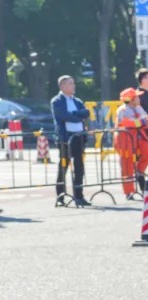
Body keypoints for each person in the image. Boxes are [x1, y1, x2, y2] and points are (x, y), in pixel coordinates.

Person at [50, 75, 91, 207]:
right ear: (62, 86)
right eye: (70, 83)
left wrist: (76, 114)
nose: (73, 86)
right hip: (65, 138)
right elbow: (63, 116)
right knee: (63, 167)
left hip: (79, 137)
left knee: (79, 167)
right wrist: (78, 116)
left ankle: (79, 196)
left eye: (73, 83)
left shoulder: (77, 101)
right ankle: (60, 196)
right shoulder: (57, 101)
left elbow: (86, 113)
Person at [115, 87, 148, 199]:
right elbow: (126, 123)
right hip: (125, 141)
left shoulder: (139, 108)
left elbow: (147, 121)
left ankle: (139, 170)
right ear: (131, 99)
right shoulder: (122, 110)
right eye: (137, 97)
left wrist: (139, 122)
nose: (139, 98)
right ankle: (128, 192)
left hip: (138, 137)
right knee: (127, 165)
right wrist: (140, 122)